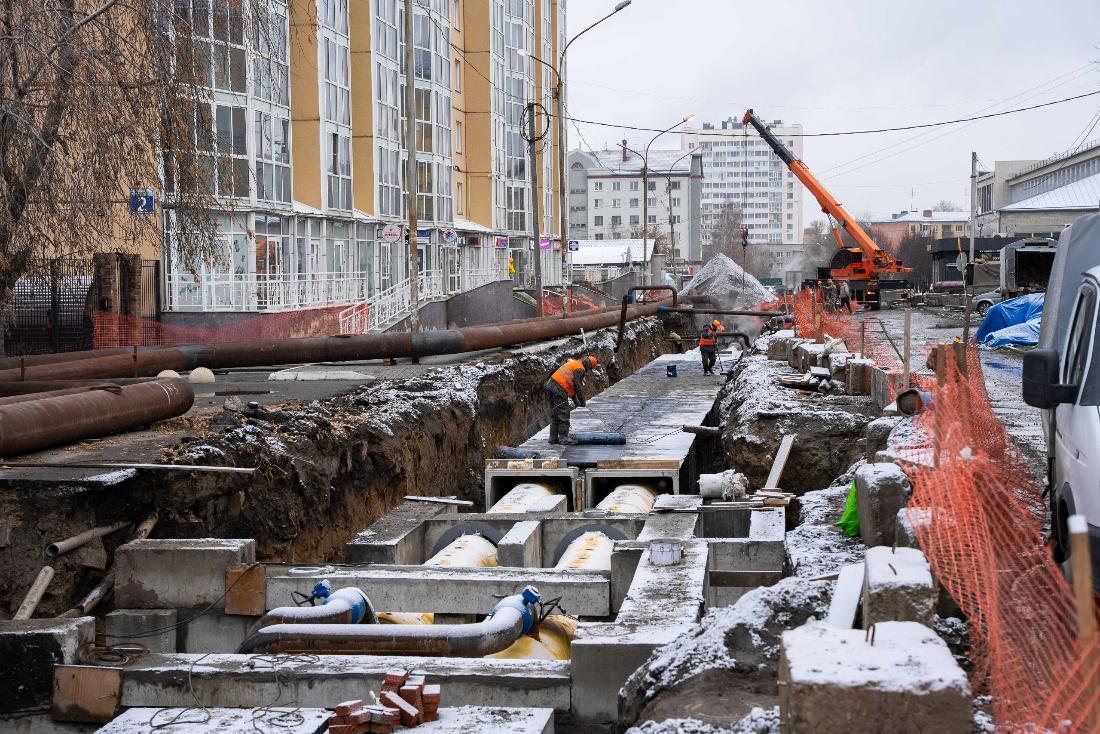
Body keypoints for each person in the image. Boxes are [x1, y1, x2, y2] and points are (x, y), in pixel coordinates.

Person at [545, 356, 598, 445]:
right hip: (559, 388)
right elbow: (578, 386)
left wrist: (575, 400)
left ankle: (553, 438)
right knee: (563, 413)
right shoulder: (580, 369)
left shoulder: (575, 363)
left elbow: (571, 384)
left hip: (551, 385)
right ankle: (563, 438)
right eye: (590, 369)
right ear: (589, 366)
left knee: (555, 413)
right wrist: (582, 401)